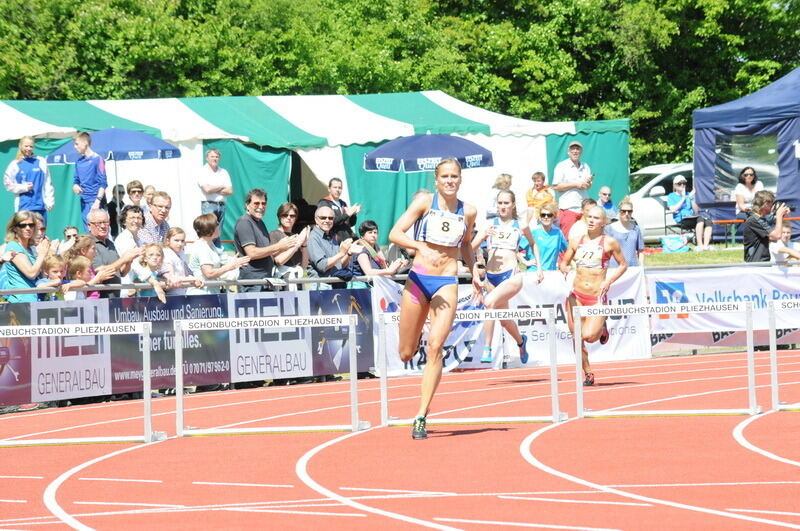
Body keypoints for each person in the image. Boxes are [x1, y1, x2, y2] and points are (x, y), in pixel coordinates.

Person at [388, 158, 481, 440]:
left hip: (446, 282)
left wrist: (474, 270)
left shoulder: (469, 211)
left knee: (436, 347)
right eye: (445, 176)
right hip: (418, 279)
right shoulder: (424, 204)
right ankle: (415, 338)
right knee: (405, 352)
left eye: (455, 176)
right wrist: (418, 246)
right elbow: (395, 233)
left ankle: (421, 415)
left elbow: (465, 244)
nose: (450, 180)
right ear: (436, 179)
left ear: (460, 179)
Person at [471, 190, 542, 364]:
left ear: (513, 205)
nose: (502, 206)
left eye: (506, 203)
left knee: (489, 303)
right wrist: (483, 237)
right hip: (491, 277)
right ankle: (521, 341)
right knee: (504, 321)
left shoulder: (520, 225)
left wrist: (538, 268)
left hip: (512, 275)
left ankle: (487, 348)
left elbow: (533, 244)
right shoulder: (489, 224)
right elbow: (470, 248)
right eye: (500, 203)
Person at [560, 206, 626, 386]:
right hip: (576, 296)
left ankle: (602, 325)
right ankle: (588, 372)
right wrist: (567, 270)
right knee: (577, 338)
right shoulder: (575, 241)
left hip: (596, 297)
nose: (591, 220)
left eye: (596, 218)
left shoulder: (609, 242)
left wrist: (609, 281)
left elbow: (622, 265)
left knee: (589, 336)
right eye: (589, 217)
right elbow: (564, 263)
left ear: (603, 222)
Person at [234, 189, 298, 292]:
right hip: (252, 283)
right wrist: (279, 246)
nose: (260, 207)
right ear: (247, 205)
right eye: (256, 203)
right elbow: (252, 253)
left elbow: (268, 252)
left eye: (263, 203)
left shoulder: (260, 223)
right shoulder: (244, 222)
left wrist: (291, 245)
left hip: (265, 281)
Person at [187, 213, 249, 295]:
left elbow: (217, 265)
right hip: (201, 294)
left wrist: (232, 262)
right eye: (216, 224)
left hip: (210, 293)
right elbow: (209, 273)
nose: (219, 226)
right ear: (210, 229)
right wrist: (229, 267)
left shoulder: (210, 244)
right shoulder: (202, 247)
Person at [86, 208, 142, 297]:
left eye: (106, 222)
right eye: (99, 223)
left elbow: (121, 272)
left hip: (114, 298)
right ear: (89, 225)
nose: (103, 226)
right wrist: (124, 259)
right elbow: (100, 272)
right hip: (98, 299)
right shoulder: (88, 244)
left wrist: (129, 260)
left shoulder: (110, 243)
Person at [308, 205, 362, 289]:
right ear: (316, 220)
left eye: (330, 218)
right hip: (322, 285)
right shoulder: (313, 237)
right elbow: (322, 266)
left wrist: (348, 253)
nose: (327, 220)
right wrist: (341, 253)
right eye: (323, 218)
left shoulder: (333, 237)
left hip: (336, 285)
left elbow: (339, 266)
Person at [1, 211, 51, 303]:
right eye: (23, 225)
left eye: (31, 225)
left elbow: (41, 276)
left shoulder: (31, 248)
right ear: (15, 228)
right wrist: (42, 254)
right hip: (22, 301)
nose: (28, 228)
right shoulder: (13, 246)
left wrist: (48, 253)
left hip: (36, 299)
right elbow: (31, 274)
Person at [3, 136, 55, 219]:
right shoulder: (15, 164)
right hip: (23, 206)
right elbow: (7, 184)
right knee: (24, 231)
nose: (29, 149)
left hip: (40, 206)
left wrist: (49, 201)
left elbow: (47, 182)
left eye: (31, 146)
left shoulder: (41, 161)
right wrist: (24, 187)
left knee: (40, 231)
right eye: (26, 146)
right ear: (20, 146)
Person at [348, 220, 406, 289]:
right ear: (362, 235)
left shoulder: (376, 249)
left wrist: (396, 267)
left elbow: (384, 269)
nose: (373, 235)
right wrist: (388, 271)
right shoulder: (361, 248)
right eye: (370, 233)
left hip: (374, 287)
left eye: (375, 233)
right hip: (360, 289)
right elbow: (368, 272)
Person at [552, 140, 593, 237]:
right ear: (568, 152)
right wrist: (575, 184)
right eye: (573, 149)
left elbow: (588, 187)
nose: (575, 151)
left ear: (581, 152)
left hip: (584, 210)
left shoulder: (585, 166)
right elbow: (556, 186)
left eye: (577, 149)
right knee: (568, 239)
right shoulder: (561, 166)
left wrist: (587, 184)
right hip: (568, 209)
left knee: (584, 238)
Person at [71, 132, 108, 230]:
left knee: (100, 231)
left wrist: (97, 201)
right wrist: (75, 186)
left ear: (85, 143)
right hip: (84, 202)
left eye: (77, 144)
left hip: (96, 202)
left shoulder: (98, 159)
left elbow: (103, 183)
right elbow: (76, 180)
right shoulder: (79, 161)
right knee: (88, 232)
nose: (75, 147)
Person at [269, 202, 310, 290]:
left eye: (292, 216)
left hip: (297, 281)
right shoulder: (274, 234)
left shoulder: (296, 236)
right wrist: (297, 245)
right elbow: (279, 260)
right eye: (285, 215)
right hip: (282, 282)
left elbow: (304, 266)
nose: (289, 218)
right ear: (279, 217)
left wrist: (304, 244)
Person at [198, 148, 233, 248]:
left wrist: (214, 187)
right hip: (208, 205)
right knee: (207, 231)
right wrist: (221, 186)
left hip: (221, 205)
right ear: (207, 158)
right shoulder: (202, 171)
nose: (215, 159)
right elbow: (207, 189)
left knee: (218, 233)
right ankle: (206, 252)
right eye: (212, 156)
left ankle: (217, 254)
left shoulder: (224, 172)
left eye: (217, 157)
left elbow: (230, 191)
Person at [667, 175, 713, 251]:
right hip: (682, 218)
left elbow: (696, 210)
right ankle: (700, 245)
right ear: (675, 186)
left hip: (692, 217)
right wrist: (684, 197)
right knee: (700, 219)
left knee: (708, 221)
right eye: (679, 183)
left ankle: (705, 246)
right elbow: (672, 209)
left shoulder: (689, 195)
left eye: (684, 183)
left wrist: (692, 199)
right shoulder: (671, 196)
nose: (682, 185)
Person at [743, 190, 790, 263]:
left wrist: (781, 215)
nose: (773, 207)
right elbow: (776, 236)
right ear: (766, 204)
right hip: (755, 263)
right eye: (772, 204)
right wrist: (779, 215)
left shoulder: (760, 218)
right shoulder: (754, 219)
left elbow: (774, 221)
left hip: (762, 261)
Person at [523, 203, 568, 271]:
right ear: (540, 217)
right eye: (543, 215)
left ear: (554, 217)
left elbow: (568, 251)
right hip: (534, 271)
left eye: (549, 215)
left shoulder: (558, 233)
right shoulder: (534, 232)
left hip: (551, 273)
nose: (546, 217)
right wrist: (525, 262)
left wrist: (567, 264)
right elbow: (515, 248)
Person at [317, 178, 360, 242]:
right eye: (335, 187)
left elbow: (350, 224)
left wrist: (353, 214)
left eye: (340, 188)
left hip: (347, 239)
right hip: (333, 241)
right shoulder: (324, 202)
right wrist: (347, 214)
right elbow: (328, 222)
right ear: (329, 189)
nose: (337, 190)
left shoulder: (343, 203)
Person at [604, 199, 644, 267]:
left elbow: (641, 251)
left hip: (632, 267)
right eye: (623, 211)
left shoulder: (636, 229)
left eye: (629, 211)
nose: (626, 214)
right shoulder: (609, 229)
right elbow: (605, 251)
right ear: (619, 211)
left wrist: (641, 267)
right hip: (614, 268)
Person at [162, 227, 202, 296]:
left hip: (182, 292)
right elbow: (171, 277)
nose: (180, 244)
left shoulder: (181, 253)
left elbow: (185, 273)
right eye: (176, 240)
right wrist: (192, 279)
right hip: (171, 294)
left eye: (182, 241)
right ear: (168, 241)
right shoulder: (166, 254)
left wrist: (194, 279)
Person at [115, 206, 144, 297]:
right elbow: (134, 264)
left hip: (138, 289)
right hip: (127, 290)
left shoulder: (140, 240)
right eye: (132, 218)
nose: (136, 221)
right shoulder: (123, 239)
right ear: (124, 221)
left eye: (139, 218)